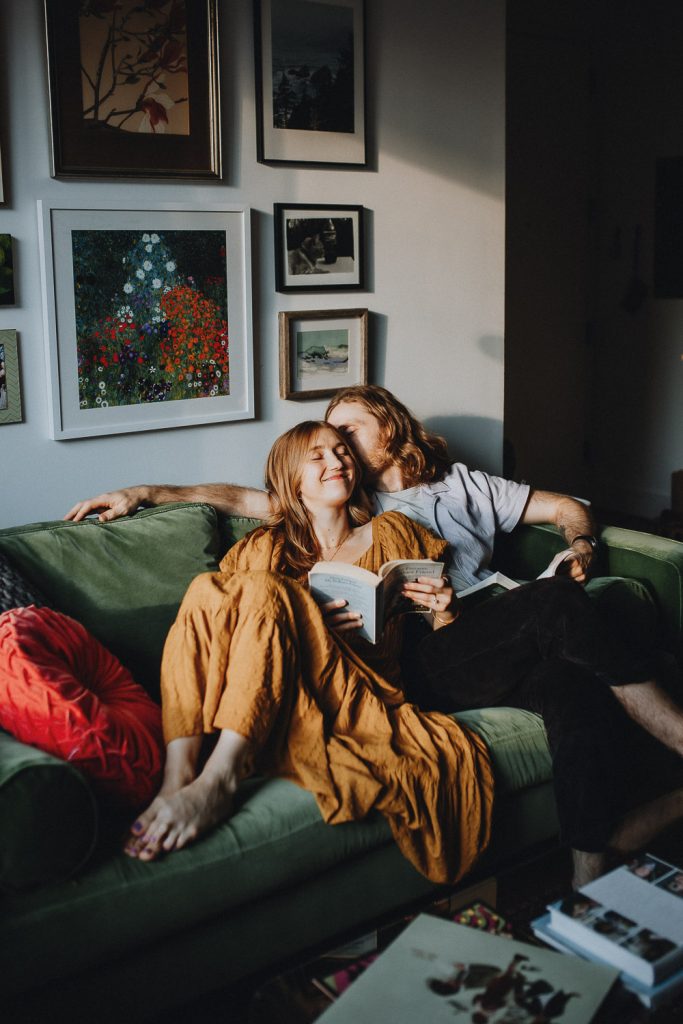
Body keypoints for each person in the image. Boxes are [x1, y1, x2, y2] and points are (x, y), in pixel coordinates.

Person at [68, 386, 683, 884]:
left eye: (348, 435)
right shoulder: (323, 515)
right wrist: (147, 491)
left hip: (486, 624)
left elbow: (565, 506)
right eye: (326, 448)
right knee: (555, 604)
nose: (341, 454)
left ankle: (588, 875)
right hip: (432, 656)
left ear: (387, 425)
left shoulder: (457, 489)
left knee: (568, 681)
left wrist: (578, 546)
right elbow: (242, 504)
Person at [123, 420, 494, 885]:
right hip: (281, 688)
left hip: (359, 687)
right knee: (211, 587)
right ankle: (180, 779)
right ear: (290, 478)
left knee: (264, 591)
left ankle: (221, 779)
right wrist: (306, 618)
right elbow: (225, 631)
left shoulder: (394, 530)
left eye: (341, 452)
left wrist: (446, 611)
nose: (336, 462)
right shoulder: (265, 546)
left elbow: (443, 654)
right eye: (317, 457)